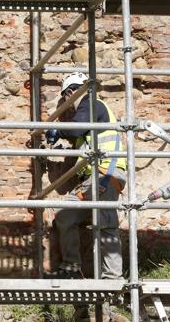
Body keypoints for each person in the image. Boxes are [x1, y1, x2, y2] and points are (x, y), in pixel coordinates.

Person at [44, 71, 127, 280]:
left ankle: (112, 277)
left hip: (105, 175)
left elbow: (76, 129)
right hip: (95, 178)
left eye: (66, 98)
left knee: (106, 223)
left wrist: (57, 131)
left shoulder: (91, 103)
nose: (68, 105)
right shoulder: (93, 108)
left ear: (70, 92)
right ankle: (71, 268)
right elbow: (83, 135)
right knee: (65, 214)